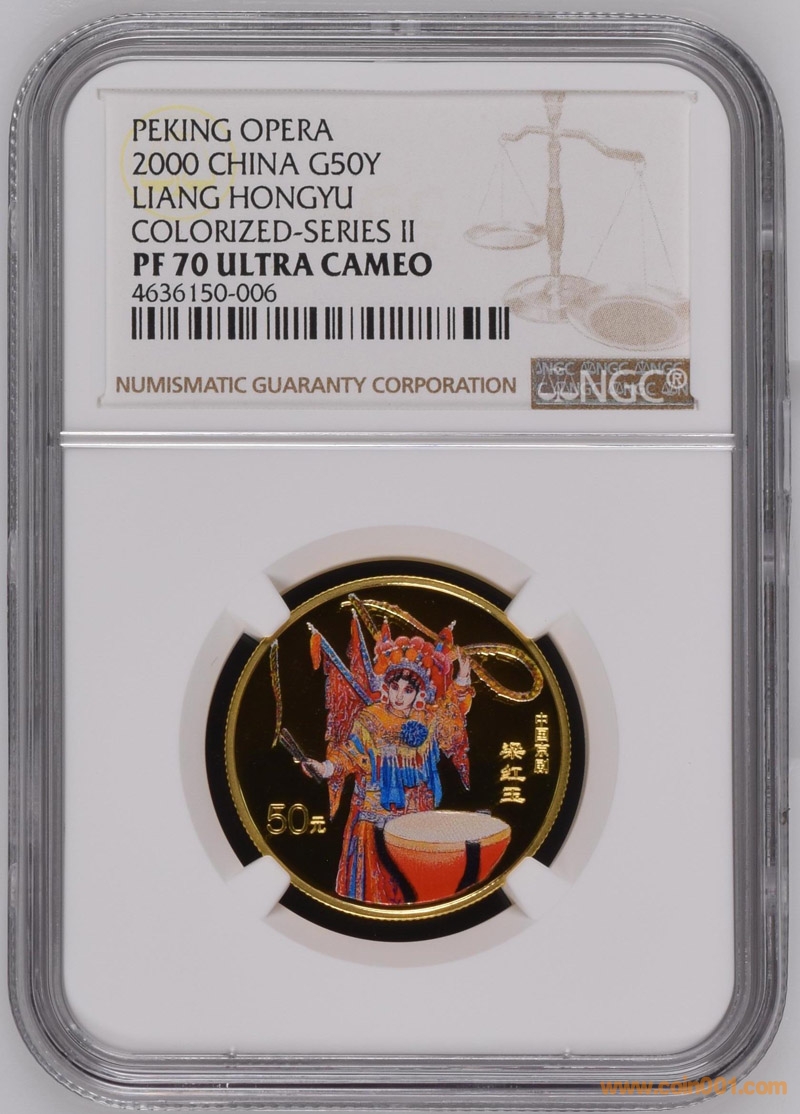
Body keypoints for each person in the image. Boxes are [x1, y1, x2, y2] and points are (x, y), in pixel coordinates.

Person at [303, 633, 473, 905]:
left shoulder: (426, 718)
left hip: (417, 818)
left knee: (415, 888)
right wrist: (325, 768)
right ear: (386, 686)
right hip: (375, 817)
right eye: (395, 687)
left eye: (408, 690)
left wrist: (462, 679)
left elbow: (452, 721)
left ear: (419, 693)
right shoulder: (370, 719)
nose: (399, 696)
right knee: (377, 887)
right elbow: (350, 753)